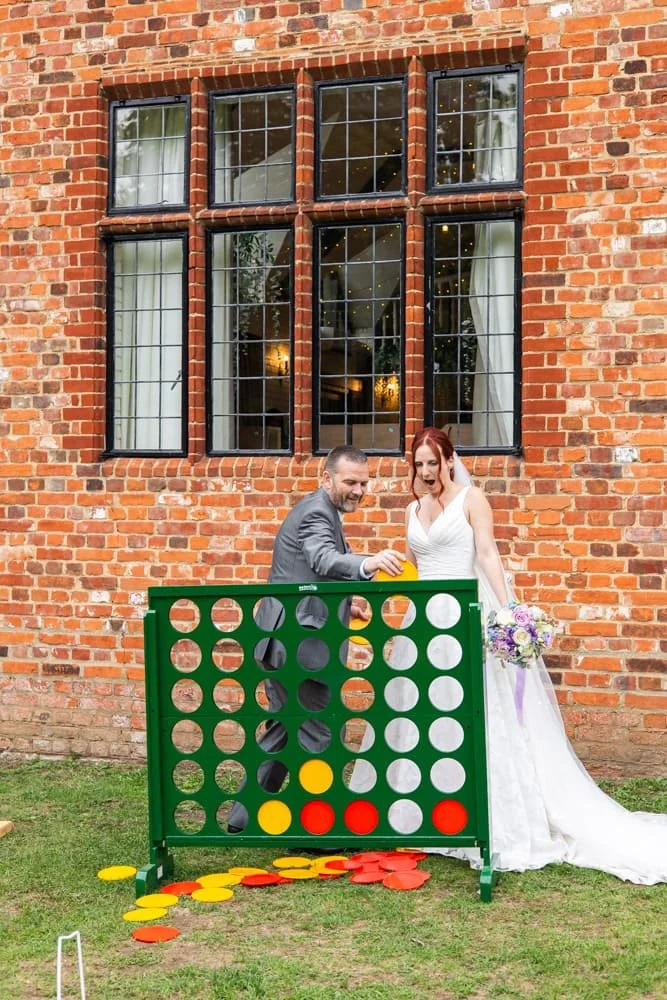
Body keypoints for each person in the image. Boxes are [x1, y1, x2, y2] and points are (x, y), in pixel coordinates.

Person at [395, 426, 667, 884]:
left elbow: (486, 553)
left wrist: (507, 612)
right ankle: (428, 815)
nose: (425, 473)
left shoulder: (471, 499)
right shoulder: (412, 507)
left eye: (432, 463)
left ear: (449, 459)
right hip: (423, 622)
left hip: (465, 613)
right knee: (426, 711)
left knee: (478, 714)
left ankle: (491, 820)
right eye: (418, 465)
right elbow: (413, 565)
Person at [227, 444, 403, 832]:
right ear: (326, 478)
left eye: (363, 482)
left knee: (286, 729)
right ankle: (319, 829)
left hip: (286, 640)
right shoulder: (315, 513)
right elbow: (322, 558)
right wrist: (369, 564)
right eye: (350, 482)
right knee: (320, 730)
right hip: (295, 646)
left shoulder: (324, 511)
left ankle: (241, 820)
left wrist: (345, 604)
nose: (358, 490)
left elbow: (311, 574)